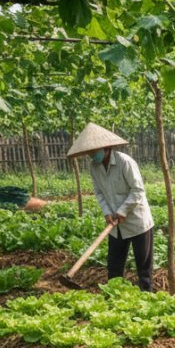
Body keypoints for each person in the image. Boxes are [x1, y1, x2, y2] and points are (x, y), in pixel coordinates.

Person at [67, 123, 155, 291]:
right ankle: (114, 297)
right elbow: (99, 193)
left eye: (95, 151)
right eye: (90, 153)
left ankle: (148, 297)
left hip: (137, 222)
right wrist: (107, 212)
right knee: (114, 266)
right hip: (115, 226)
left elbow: (138, 190)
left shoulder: (125, 162)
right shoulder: (94, 167)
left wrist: (122, 211)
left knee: (143, 268)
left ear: (106, 147)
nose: (93, 155)